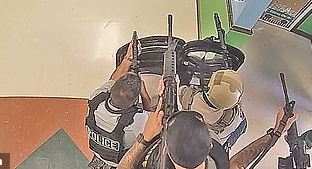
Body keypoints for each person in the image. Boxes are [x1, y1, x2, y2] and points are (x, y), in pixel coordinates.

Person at [117, 89, 297, 168]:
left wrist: (145, 139)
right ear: (210, 145)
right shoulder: (218, 160)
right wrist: (276, 131)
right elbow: (237, 163)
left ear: (166, 149)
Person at [86, 41, 153, 168]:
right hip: (121, 163)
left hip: (98, 156)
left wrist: (128, 59)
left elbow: (113, 79)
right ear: (134, 102)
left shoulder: (95, 99)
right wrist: (144, 94)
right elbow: (152, 119)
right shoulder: (135, 121)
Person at [179, 69, 247, 152]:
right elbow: (240, 115)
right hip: (209, 147)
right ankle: (226, 147)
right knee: (243, 125)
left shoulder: (186, 96)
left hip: (184, 138)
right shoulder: (234, 120)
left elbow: (179, 89)